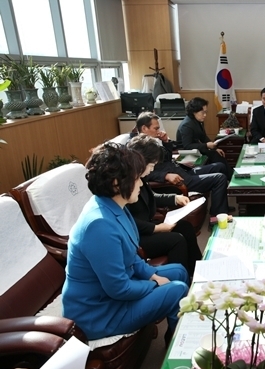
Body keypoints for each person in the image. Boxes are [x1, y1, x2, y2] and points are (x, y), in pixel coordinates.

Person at [61, 142, 188, 346]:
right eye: (137, 178)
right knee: (177, 289)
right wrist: (154, 283)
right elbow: (118, 288)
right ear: (116, 183)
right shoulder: (98, 225)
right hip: (100, 312)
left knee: (179, 272)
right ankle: (181, 347)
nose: (140, 183)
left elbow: (131, 256)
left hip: (112, 295)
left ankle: (173, 334)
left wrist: (151, 275)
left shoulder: (115, 205)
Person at [127, 134, 202, 278]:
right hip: (137, 235)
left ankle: (198, 271)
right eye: (152, 165)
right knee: (176, 240)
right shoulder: (126, 183)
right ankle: (181, 280)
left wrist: (174, 198)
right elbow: (126, 219)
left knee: (185, 227)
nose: (152, 169)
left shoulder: (140, 177)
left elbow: (151, 197)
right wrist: (156, 228)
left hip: (147, 226)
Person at [133, 111, 232, 217]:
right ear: (144, 128)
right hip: (178, 180)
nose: (159, 131)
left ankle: (222, 206)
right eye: (155, 128)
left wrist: (166, 141)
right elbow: (141, 173)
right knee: (219, 178)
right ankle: (217, 215)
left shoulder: (151, 141)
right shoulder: (137, 148)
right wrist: (165, 175)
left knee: (219, 166)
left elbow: (166, 159)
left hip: (182, 170)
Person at [176, 97, 233, 180]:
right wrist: (206, 146)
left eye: (206, 112)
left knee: (217, 154)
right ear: (194, 111)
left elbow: (203, 137)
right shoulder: (186, 125)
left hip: (197, 151)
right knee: (216, 157)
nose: (205, 115)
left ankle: (230, 178)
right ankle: (230, 179)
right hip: (188, 155)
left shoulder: (197, 121)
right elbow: (187, 146)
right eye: (203, 112)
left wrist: (214, 147)